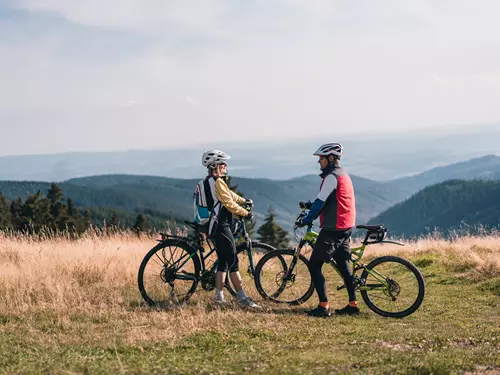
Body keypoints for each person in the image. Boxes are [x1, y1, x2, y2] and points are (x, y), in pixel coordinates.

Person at [295, 143, 358, 317]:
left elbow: (321, 202)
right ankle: (352, 304)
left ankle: (323, 307)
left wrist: (306, 219)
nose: (319, 162)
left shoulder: (331, 177)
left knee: (315, 264)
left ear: (330, 158)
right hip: (345, 225)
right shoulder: (342, 173)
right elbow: (327, 197)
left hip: (333, 227)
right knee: (344, 265)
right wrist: (310, 205)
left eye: (321, 158)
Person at [201, 149, 262, 309]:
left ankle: (219, 297)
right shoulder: (218, 182)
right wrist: (246, 213)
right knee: (233, 261)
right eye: (222, 163)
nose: (226, 165)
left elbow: (230, 196)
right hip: (221, 226)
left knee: (223, 262)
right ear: (215, 165)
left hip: (215, 226)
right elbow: (229, 204)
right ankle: (242, 299)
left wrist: (244, 200)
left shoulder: (212, 180)